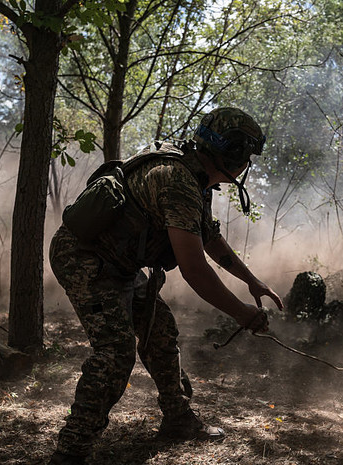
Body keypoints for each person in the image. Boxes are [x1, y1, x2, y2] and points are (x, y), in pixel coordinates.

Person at [48, 107, 283, 465]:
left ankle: (177, 418)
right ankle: (71, 450)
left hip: (118, 263)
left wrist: (253, 282)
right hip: (83, 256)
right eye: (246, 155)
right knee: (115, 352)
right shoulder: (179, 181)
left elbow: (208, 236)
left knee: (160, 330)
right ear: (233, 154)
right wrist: (243, 314)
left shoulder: (194, 174)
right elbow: (194, 270)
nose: (245, 164)